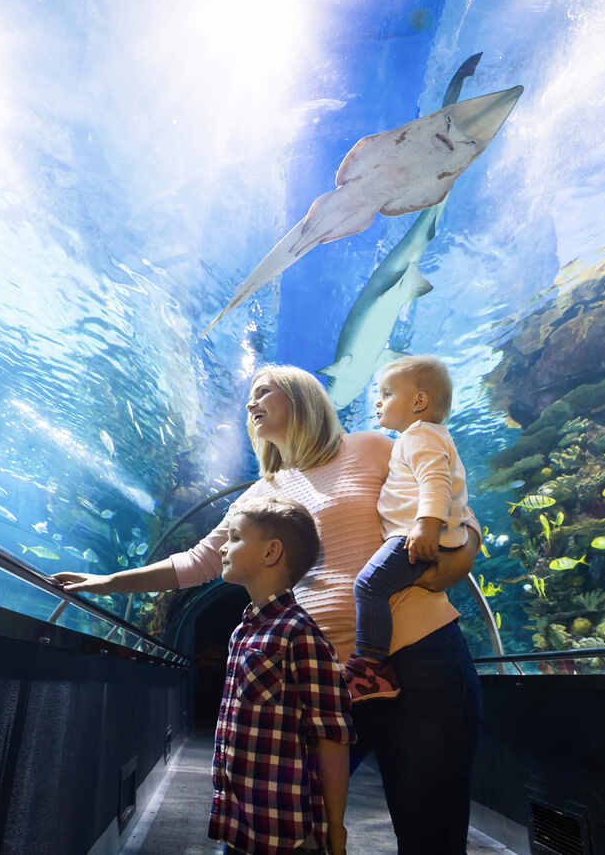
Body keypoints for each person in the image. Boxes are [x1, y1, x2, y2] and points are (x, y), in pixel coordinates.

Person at [53, 364, 483, 854]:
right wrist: (110, 582)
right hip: (329, 678)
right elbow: (197, 562)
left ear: (301, 396)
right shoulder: (261, 495)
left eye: (263, 392)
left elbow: (454, 512)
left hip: (424, 659)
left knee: (433, 834)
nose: (251, 404)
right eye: (248, 400)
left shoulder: (372, 447)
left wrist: (460, 555)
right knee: (294, 828)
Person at [211, 496, 352, 854]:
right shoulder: (243, 631)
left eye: (236, 537)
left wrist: (336, 828)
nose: (223, 547)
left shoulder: (299, 632)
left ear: (271, 552)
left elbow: (331, 736)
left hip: (285, 831)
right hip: (238, 820)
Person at [342, 355, 470, 703]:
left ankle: (369, 667)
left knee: (369, 586)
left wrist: (426, 524)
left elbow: (435, 481)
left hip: (416, 535)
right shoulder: (425, 436)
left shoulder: (418, 436)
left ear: (418, 401)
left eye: (386, 393)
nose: (377, 400)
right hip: (421, 533)